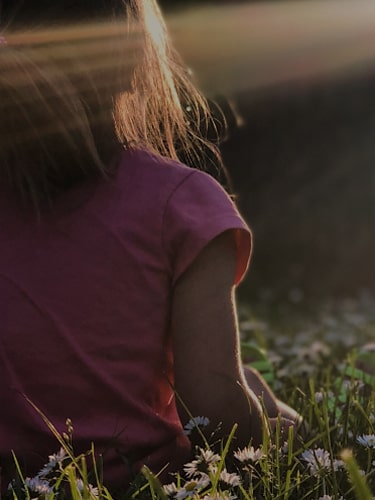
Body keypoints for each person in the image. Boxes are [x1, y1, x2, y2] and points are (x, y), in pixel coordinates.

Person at [0, 0, 299, 494]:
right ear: (137, 66)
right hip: (139, 485)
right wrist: (280, 430)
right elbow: (215, 412)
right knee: (254, 396)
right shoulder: (181, 204)